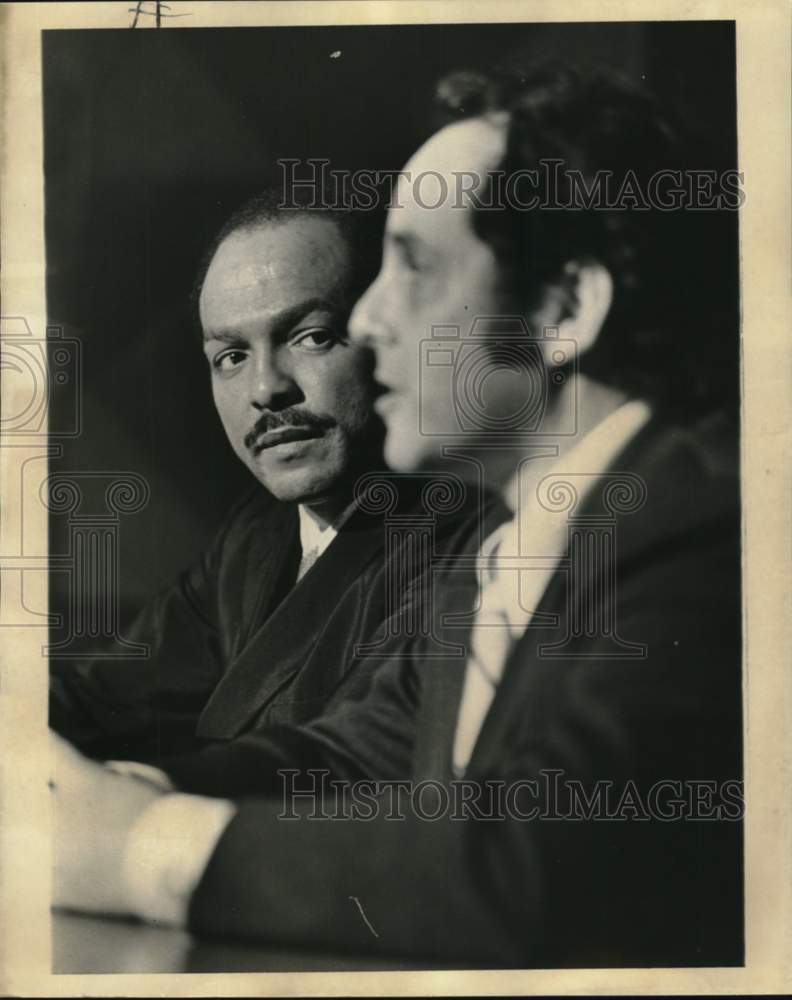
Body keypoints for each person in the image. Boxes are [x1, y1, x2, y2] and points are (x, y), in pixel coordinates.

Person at [51, 63, 742, 967]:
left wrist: (145, 850)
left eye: (410, 266)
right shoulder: (502, 553)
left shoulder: (712, 534)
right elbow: (350, 759)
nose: (370, 322)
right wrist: (110, 796)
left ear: (566, 306)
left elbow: (540, 868)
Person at [50, 189, 486, 765]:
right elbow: (98, 698)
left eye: (311, 337)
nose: (265, 390)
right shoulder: (257, 537)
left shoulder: (466, 545)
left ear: (383, 332)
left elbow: (343, 767)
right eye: (231, 356)